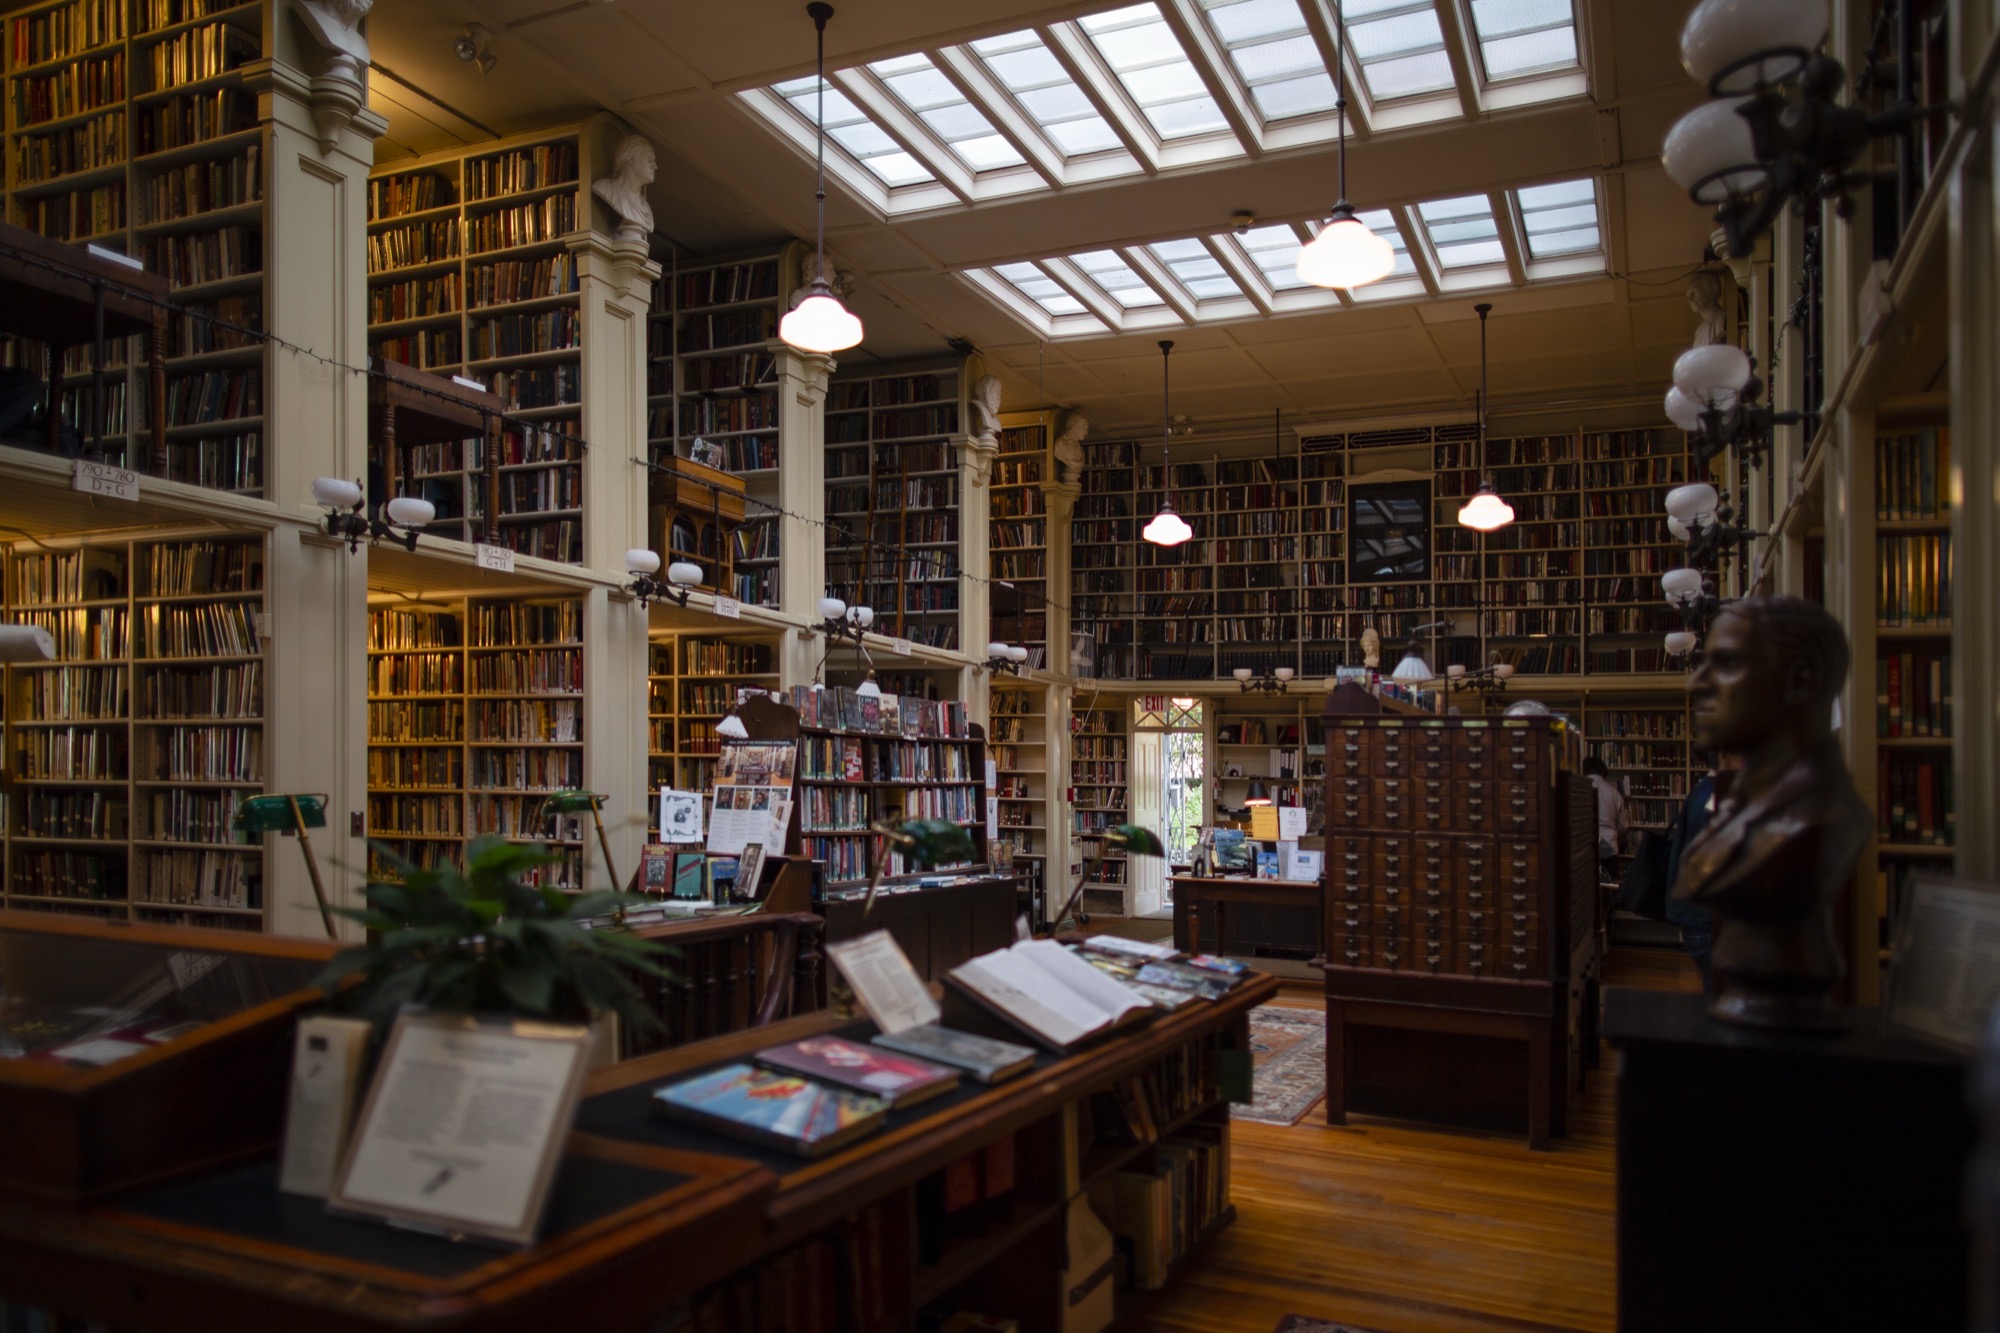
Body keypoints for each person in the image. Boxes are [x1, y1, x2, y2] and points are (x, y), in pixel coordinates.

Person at [1669, 595, 1871, 1029]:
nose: (1696, 684)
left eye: (1726, 663)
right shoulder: (1747, 803)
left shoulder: (1815, 822)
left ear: (1799, 681)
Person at [1662, 753, 1718, 990]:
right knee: (1717, 987)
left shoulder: (1703, 791)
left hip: (1695, 913)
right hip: (1704, 916)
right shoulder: (1714, 796)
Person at [1583, 755, 1626, 863]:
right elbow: (1623, 826)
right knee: (1608, 873)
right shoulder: (1614, 793)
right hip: (1609, 846)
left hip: (1585, 845)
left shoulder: (1580, 789)